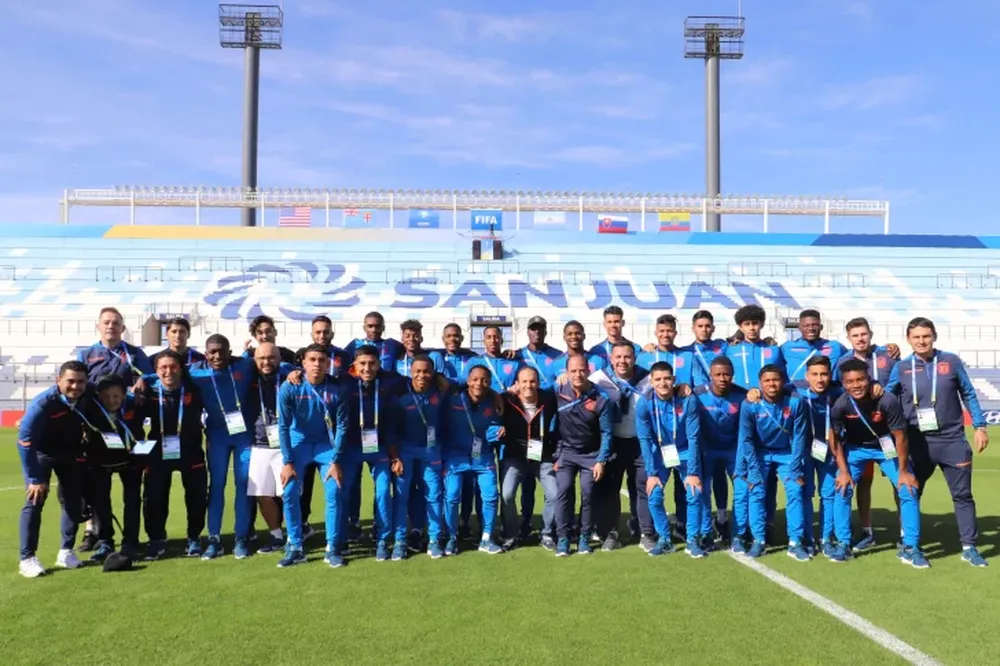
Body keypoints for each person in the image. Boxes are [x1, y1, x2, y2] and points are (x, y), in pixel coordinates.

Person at [885, 317, 989, 567]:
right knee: (909, 493)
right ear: (908, 339)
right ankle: (908, 543)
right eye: (916, 337)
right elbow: (887, 397)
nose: (921, 341)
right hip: (917, 443)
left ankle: (969, 547)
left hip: (952, 441)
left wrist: (979, 425)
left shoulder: (950, 361)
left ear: (934, 337)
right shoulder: (901, 367)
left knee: (963, 495)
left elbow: (968, 393)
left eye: (926, 336)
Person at [831, 359, 926, 567]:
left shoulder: (887, 400)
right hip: (855, 450)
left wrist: (903, 471)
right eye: (850, 381)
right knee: (842, 489)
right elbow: (835, 440)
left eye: (860, 380)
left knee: (908, 489)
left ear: (869, 378)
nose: (856, 385)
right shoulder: (840, 404)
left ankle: (911, 547)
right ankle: (843, 544)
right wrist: (843, 471)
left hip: (886, 449)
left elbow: (900, 437)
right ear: (843, 383)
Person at [276, 343, 349, 568]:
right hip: (299, 444)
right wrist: (288, 461)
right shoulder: (290, 387)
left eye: (321, 360)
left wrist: (336, 461)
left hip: (326, 447)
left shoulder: (338, 389)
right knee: (288, 491)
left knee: (334, 492)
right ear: (303, 363)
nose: (317, 364)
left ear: (328, 363)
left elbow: (342, 427)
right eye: (312, 360)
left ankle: (332, 547)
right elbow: (283, 426)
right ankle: (296, 546)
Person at [186, 334, 258, 560]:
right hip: (217, 436)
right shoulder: (195, 372)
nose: (217, 356)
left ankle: (241, 537)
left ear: (229, 351)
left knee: (244, 484)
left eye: (221, 351)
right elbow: (162, 375)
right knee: (216, 485)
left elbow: (270, 362)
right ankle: (214, 538)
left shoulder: (245, 366)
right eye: (212, 352)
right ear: (206, 354)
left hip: (244, 435)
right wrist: (142, 381)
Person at [16, 360, 91, 577]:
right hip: (42, 454)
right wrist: (33, 478)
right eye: (70, 381)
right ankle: (27, 558)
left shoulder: (87, 395)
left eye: (80, 382)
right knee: (35, 499)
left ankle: (66, 552)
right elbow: (25, 442)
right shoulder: (43, 404)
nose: (76, 387)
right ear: (58, 380)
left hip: (72, 454)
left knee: (73, 501)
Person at [836, 316, 899, 552]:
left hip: (886, 432)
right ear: (849, 339)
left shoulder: (887, 355)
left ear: (870, 334)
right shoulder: (843, 360)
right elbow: (838, 388)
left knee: (898, 482)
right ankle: (867, 531)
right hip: (858, 432)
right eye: (855, 335)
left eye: (863, 334)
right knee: (863, 483)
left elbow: (897, 381)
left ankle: (904, 533)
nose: (860, 339)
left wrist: (883, 392)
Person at [736, 364, 809, 560]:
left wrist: (795, 467)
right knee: (756, 491)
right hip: (759, 454)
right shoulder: (749, 405)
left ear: (783, 381)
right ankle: (758, 540)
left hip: (786, 454)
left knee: (795, 490)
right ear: (760, 383)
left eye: (775, 379)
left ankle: (795, 542)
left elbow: (800, 436)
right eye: (767, 380)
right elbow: (746, 438)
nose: (772, 384)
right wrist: (753, 468)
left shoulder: (795, 402)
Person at [140, 350, 208, 560]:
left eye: (173, 367)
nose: (168, 371)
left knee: (196, 496)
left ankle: (194, 538)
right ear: (157, 370)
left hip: (191, 451)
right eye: (163, 368)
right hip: (158, 453)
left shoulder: (195, 390)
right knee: (154, 498)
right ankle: (157, 539)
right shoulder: (148, 392)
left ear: (180, 368)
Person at [636, 361, 704, 557]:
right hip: (660, 453)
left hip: (684, 450)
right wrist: (651, 473)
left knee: (694, 492)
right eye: (658, 379)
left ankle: (693, 539)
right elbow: (644, 439)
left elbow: (694, 438)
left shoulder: (688, 400)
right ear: (651, 381)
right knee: (654, 493)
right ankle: (664, 539)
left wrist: (692, 472)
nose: (663, 383)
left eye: (667, 378)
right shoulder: (644, 403)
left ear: (674, 380)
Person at [341, 345, 401, 560]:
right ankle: (346, 532)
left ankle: (382, 537)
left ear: (379, 364)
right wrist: (296, 372)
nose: (368, 368)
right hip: (351, 447)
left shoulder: (390, 381)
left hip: (380, 448)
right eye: (363, 364)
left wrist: (440, 376)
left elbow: (418, 379)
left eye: (372, 363)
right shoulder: (343, 382)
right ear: (354, 366)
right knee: (344, 490)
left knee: (383, 491)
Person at [589, 342, 650, 550]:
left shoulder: (647, 378)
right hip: (612, 442)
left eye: (627, 357)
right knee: (610, 490)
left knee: (643, 488)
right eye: (618, 357)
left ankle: (646, 532)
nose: (623, 361)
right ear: (611, 359)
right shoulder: (598, 379)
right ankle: (611, 533)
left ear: (634, 358)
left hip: (639, 443)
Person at [440, 365, 505, 555]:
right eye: (475, 379)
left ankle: (486, 538)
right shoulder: (452, 400)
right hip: (456, 456)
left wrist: (499, 431)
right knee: (451, 496)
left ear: (490, 384)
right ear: (468, 381)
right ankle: (451, 537)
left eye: (485, 380)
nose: (479, 383)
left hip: (483, 456)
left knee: (491, 495)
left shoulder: (494, 403)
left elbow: (497, 425)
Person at [553, 354, 613, 557]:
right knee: (564, 491)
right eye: (573, 371)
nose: (578, 374)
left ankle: (584, 537)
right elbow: (533, 393)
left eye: (581, 370)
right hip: (566, 453)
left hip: (591, 455)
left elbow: (607, 432)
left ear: (588, 371)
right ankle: (563, 538)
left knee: (588, 493)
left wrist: (601, 460)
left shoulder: (600, 398)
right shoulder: (558, 391)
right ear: (566, 373)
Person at [82, 374, 145, 562]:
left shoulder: (135, 404)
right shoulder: (89, 406)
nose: (111, 401)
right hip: (100, 460)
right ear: (99, 396)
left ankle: (130, 542)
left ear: (125, 394)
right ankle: (105, 541)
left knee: (132, 501)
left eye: (116, 396)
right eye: (107, 397)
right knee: (101, 503)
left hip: (130, 459)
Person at [498, 365, 558, 551]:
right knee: (507, 495)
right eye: (524, 381)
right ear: (517, 384)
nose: (528, 385)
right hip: (515, 456)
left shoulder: (549, 398)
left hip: (542, 456)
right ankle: (511, 533)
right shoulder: (507, 399)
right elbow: (488, 397)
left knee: (555, 495)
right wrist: (502, 393)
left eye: (532, 381)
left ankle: (547, 533)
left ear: (539, 383)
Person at [392, 355, 447, 559]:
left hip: (431, 450)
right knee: (401, 495)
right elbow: (392, 430)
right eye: (417, 371)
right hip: (405, 450)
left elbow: (466, 384)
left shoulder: (441, 392)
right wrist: (395, 456)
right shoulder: (400, 395)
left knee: (434, 494)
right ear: (410, 372)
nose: (422, 375)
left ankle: (434, 539)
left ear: (433, 374)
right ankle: (399, 541)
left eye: (426, 371)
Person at [693, 356, 748, 549]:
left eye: (726, 374)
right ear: (710, 376)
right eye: (718, 374)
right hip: (707, 450)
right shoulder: (697, 394)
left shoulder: (743, 396)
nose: (722, 378)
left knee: (741, 491)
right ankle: (707, 532)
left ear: (733, 375)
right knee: (704, 490)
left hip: (734, 450)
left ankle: (739, 535)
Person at [792, 356, 842, 559]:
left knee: (828, 495)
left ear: (830, 375)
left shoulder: (838, 391)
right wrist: (754, 392)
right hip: (804, 450)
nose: (819, 379)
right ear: (806, 376)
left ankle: (826, 538)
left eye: (824, 374)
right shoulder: (794, 389)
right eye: (815, 374)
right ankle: (807, 538)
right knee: (805, 493)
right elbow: (771, 385)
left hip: (829, 451)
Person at [246, 342, 293, 554]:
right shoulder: (248, 377)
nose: (266, 362)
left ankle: (294, 535)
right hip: (259, 443)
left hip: (286, 443)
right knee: (261, 493)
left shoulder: (290, 376)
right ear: (254, 359)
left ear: (279, 358)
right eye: (261, 358)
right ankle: (276, 535)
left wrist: (294, 372)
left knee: (288, 492)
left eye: (271, 357)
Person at [779, 309, 847, 383]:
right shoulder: (787, 347)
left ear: (821, 327)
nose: (811, 328)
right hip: (795, 393)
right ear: (799, 328)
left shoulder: (836, 347)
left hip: (827, 393)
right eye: (806, 325)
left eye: (815, 325)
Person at [725, 305, 783, 390]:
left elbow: (782, 376)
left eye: (755, 323)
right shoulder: (731, 350)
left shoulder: (774, 349)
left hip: (767, 398)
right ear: (740, 327)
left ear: (762, 324)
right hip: (740, 397)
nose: (751, 328)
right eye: (747, 324)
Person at [637, 314, 692, 385]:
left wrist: (689, 388)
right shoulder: (643, 358)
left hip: (682, 396)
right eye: (662, 331)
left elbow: (700, 385)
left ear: (675, 333)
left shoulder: (689, 357)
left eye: (669, 331)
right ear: (656, 333)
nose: (665, 335)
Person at [511, 316, 561, 390]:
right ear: (528, 332)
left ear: (545, 332)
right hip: (526, 398)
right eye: (533, 329)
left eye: (540, 328)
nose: (537, 331)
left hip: (551, 398)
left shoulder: (557, 355)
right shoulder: (517, 355)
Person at [688, 310, 730, 387]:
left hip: (724, 390)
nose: (704, 330)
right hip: (701, 394)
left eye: (707, 326)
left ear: (713, 328)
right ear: (693, 329)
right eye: (700, 326)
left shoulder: (723, 345)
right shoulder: (687, 351)